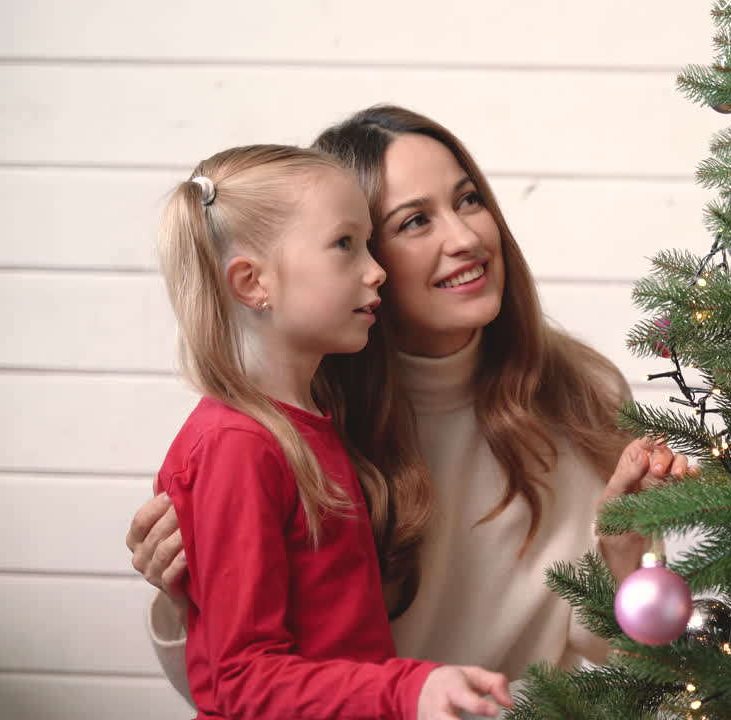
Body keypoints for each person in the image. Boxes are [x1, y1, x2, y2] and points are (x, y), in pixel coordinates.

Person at [127, 107, 694, 708]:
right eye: (415, 221)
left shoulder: (584, 395)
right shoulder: (291, 426)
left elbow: (633, 670)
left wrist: (623, 556)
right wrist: (182, 585)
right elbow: (240, 684)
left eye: (469, 199)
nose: (466, 238)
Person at [148, 143, 513, 719]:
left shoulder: (311, 423)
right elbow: (242, 681)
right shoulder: (236, 448)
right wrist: (407, 690)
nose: (377, 270)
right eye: (346, 245)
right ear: (251, 284)